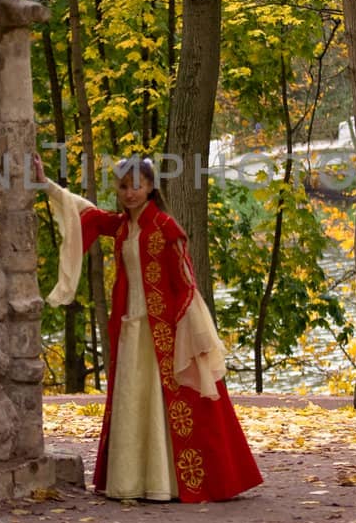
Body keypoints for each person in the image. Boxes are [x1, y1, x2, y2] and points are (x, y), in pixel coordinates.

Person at [34, 154, 263, 503]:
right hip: (132, 329)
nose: (129, 193)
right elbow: (85, 214)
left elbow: (186, 283)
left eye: (136, 186)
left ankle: (172, 483)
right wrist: (45, 184)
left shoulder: (167, 229)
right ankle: (132, 482)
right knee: (133, 401)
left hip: (165, 332)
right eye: (123, 186)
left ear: (151, 187)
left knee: (174, 402)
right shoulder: (124, 227)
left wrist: (192, 330)